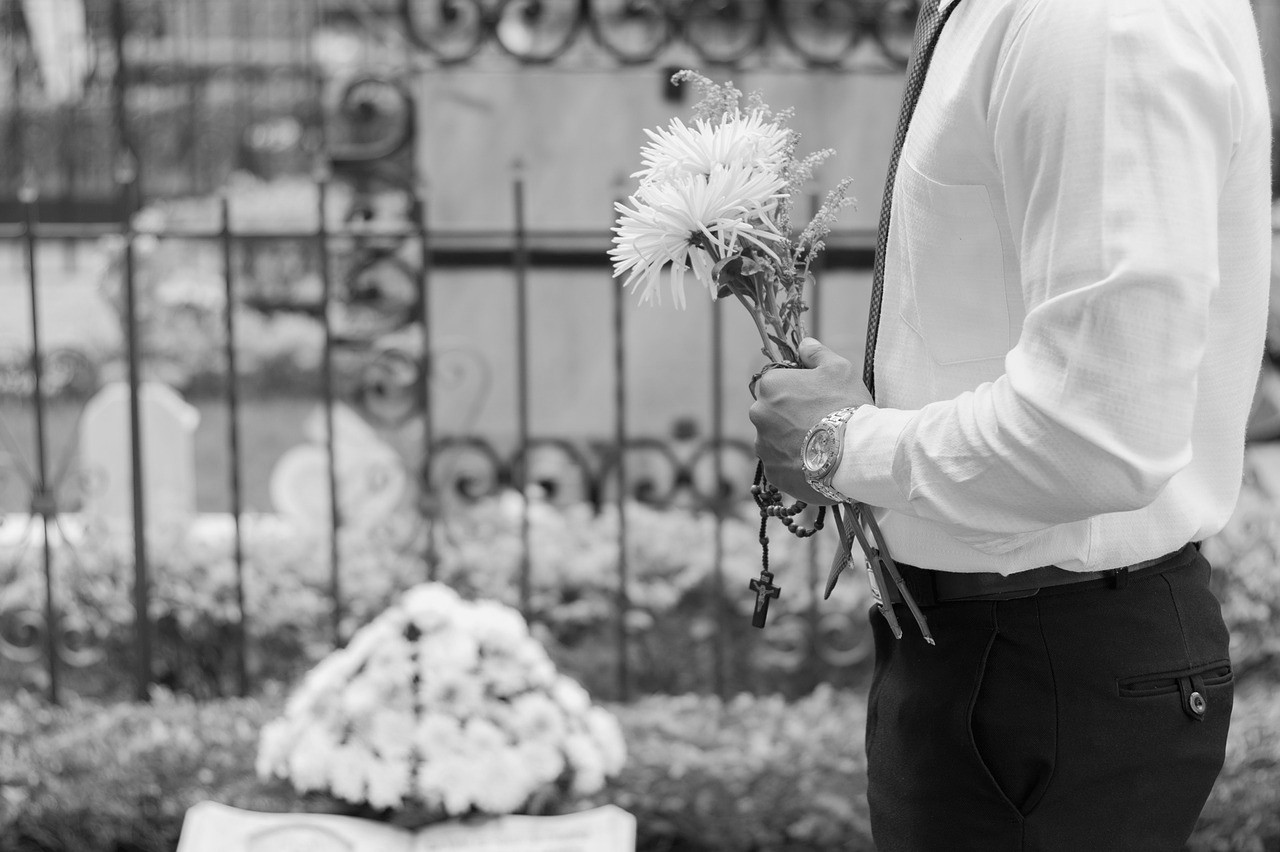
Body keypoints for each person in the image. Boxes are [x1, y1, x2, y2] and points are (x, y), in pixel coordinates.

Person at [748, 0, 1272, 849]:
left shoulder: (1096, 23)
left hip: (1045, 671)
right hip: (996, 657)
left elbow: (1094, 437)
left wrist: (840, 443)